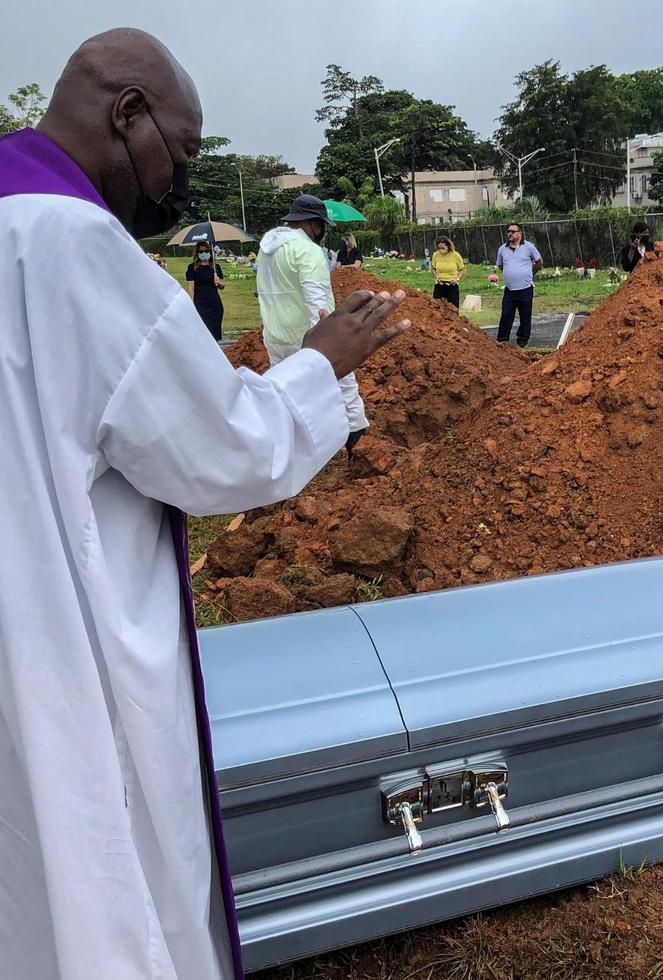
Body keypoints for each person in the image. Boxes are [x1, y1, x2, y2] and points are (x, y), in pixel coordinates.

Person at [0, 29, 409, 980]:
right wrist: (323, 367)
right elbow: (222, 448)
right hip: (63, 635)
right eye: (177, 156)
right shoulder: (71, 242)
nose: (175, 185)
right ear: (125, 113)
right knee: (109, 877)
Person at [256, 194, 374, 458]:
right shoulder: (307, 250)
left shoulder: (267, 250)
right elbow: (316, 299)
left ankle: (295, 458)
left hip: (276, 336)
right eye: (321, 227)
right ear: (313, 224)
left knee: (289, 397)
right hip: (310, 338)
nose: (322, 234)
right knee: (345, 389)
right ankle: (360, 452)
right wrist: (328, 338)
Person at [495, 222, 543, 346]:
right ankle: (502, 340)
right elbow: (500, 265)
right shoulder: (502, 249)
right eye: (508, 231)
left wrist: (530, 273)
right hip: (510, 289)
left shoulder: (529, 247)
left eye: (513, 231)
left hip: (525, 289)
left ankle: (522, 340)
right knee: (506, 314)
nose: (510, 233)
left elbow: (539, 262)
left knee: (525, 315)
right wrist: (510, 273)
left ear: (520, 233)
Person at [185, 240, 225, 341]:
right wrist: (192, 305)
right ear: (197, 253)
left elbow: (222, 286)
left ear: (210, 252)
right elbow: (191, 288)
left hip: (215, 304)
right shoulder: (192, 268)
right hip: (201, 304)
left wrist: (218, 282)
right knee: (203, 332)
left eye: (206, 251)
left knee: (215, 333)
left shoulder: (216, 267)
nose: (204, 253)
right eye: (201, 251)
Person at [431, 235, 465, 307]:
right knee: (436, 308)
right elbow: (433, 268)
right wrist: (435, 275)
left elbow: (462, 270)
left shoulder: (456, 255)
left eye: (443, 248)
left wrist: (457, 279)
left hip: (452, 285)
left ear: (448, 246)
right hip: (439, 285)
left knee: (453, 308)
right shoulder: (435, 255)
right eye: (439, 248)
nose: (441, 250)